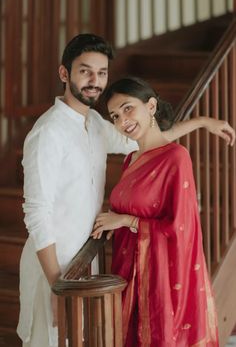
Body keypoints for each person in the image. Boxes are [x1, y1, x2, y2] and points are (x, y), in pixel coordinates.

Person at [17, 34, 234, 347]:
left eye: (102, 73)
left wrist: (202, 122)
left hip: (87, 260)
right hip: (55, 264)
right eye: (85, 71)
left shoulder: (94, 123)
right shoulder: (47, 133)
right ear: (64, 74)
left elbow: (147, 138)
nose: (95, 80)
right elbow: (36, 213)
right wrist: (57, 286)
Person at [92, 76, 228, 346]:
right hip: (128, 269)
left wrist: (124, 220)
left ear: (151, 106)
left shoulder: (176, 157)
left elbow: (182, 226)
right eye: (115, 116)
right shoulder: (131, 159)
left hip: (160, 277)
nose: (122, 121)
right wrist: (113, 222)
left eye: (128, 108)